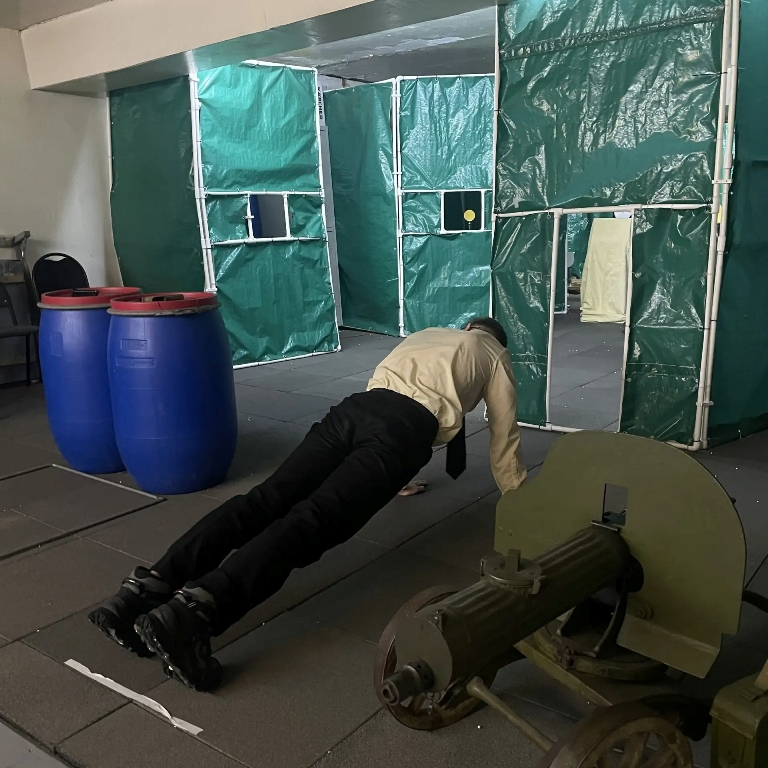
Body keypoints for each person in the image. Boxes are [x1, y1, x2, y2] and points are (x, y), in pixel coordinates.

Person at [89, 317, 526, 691]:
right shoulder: (494, 354)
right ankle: (193, 615)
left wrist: (391, 477)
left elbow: (394, 393)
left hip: (354, 411)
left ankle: (142, 591)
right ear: (494, 338)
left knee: (264, 499)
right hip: (400, 435)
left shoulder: (430, 334)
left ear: (467, 326)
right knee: (313, 521)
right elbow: (503, 439)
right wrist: (524, 504)